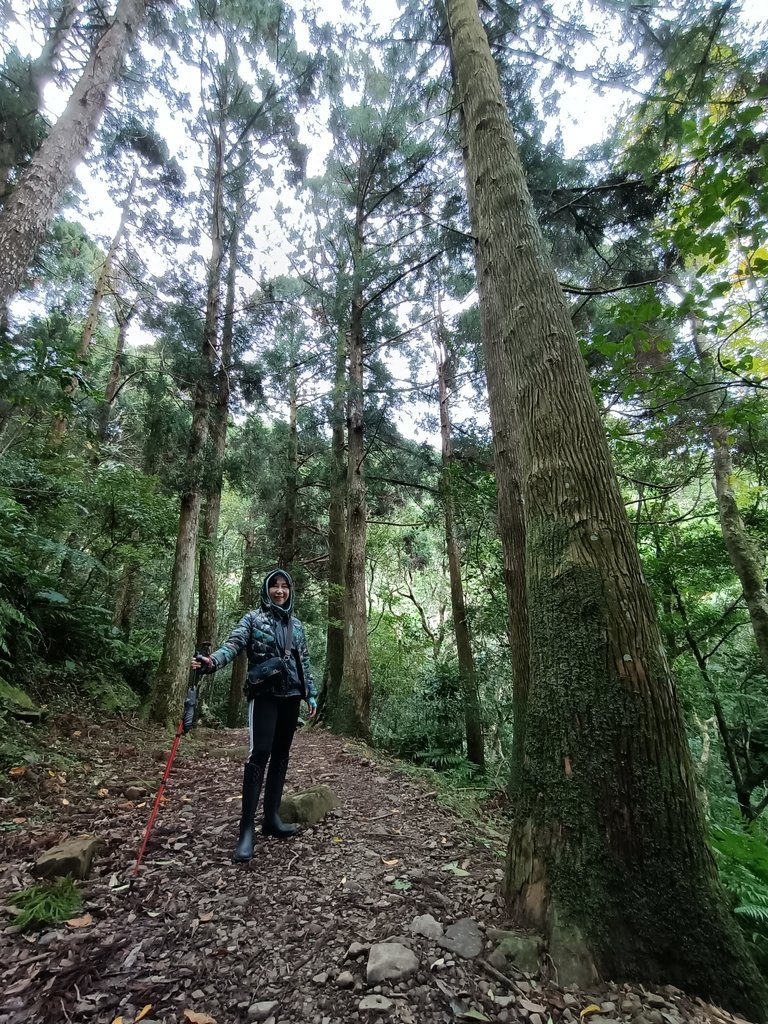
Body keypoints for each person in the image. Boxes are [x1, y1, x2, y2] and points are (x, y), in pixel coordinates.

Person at [192, 568, 318, 862]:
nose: (279, 590)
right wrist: (212, 662)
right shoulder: (253, 619)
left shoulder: (296, 626)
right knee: (259, 753)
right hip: (264, 696)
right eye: (274, 586)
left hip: (291, 697)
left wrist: (310, 693)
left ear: (290, 590)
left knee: (281, 754)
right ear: (266, 589)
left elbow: (305, 662)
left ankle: (271, 818)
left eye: (284, 586)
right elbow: (233, 645)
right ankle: (246, 831)